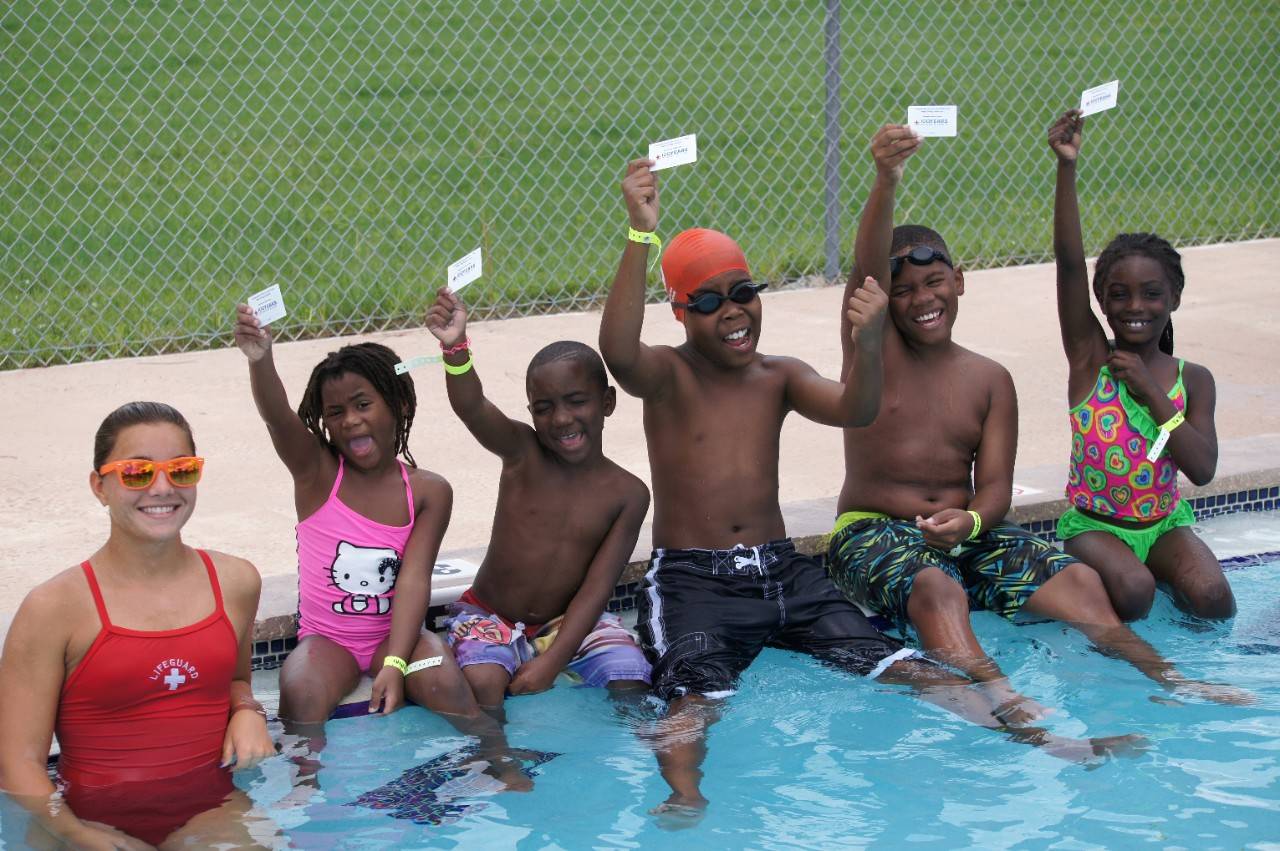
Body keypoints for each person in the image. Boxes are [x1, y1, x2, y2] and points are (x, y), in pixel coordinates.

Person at [600, 159, 1137, 826]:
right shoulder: (668, 374)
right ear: (680, 312)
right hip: (693, 580)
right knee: (694, 696)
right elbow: (618, 353)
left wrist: (870, 342)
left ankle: (1046, 739)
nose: (733, 312)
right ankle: (687, 796)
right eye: (708, 302)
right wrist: (638, 236)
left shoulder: (779, 375)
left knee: (908, 668)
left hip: (782, 573)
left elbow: (856, 406)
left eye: (743, 292)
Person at [825, 123, 1247, 715]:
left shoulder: (990, 379)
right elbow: (867, 272)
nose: (922, 298)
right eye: (903, 290)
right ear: (881, 303)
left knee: (1078, 581)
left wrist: (971, 522)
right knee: (936, 586)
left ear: (959, 282)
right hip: (874, 532)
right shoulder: (872, 352)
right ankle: (1003, 700)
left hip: (967, 535)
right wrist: (886, 180)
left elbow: (994, 488)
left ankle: (1167, 676)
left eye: (934, 281)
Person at [232, 310, 516, 779]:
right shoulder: (317, 473)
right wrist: (260, 360)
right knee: (299, 690)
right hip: (330, 641)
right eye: (335, 412)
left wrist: (397, 661)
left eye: (364, 404)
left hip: (397, 634)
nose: (350, 422)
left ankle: (499, 760)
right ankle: (307, 787)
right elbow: (277, 417)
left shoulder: (428, 491)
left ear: (398, 405)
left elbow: (412, 581)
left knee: (447, 685)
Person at [0, 401, 276, 848]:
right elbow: (18, 763)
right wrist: (77, 834)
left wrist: (247, 710)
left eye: (181, 470)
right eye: (136, 473)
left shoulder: (236, 582)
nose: (162, 488)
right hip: (85, 822)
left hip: (211, 810)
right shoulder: (54, 608)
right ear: (99, 486)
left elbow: (237, 678)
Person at [424, 288, 651, 717]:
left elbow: (596, 591)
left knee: (630, 679)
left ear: (607, 403)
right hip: (489, 615)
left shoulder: (628, 494)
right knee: (482, 682)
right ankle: (500, 766)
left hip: (566, 625)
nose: (561, 419)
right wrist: (455, 349)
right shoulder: (522, 454)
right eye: (544, 408)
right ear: (530, 412)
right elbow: (471, 406)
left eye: (576, 401)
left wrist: (551, 662)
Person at [1047, 108, 1235, 621]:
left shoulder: (1192, 379)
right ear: (1101, 302)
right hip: (1094, 526)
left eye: (1151, 294)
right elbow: (1067, 263)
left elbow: (1201, 469)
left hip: (1164, 523)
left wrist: (1154, 394)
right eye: (1119, 295)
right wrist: (1067, 167)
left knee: (1214, 599)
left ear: (1173, 297)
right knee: (1134, 589)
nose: (1135, 307)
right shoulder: (1091, 360)